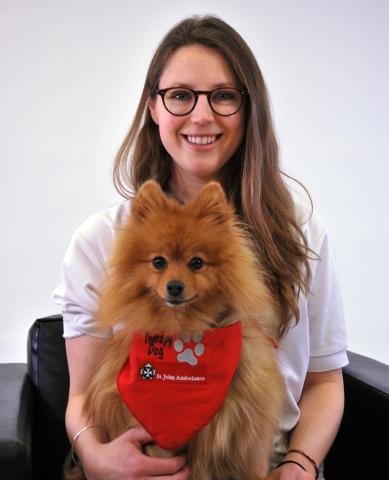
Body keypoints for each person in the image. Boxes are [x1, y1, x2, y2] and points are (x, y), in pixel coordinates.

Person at [53, 14, 348, 480]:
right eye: (181, 95)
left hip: (261, 463)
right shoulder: (102, 239)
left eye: (224, 95)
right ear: (153, 107)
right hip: (139, 462)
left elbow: (325, 382)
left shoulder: (299, 229)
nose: (203, 116)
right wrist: (96, 457)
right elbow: (81, 399)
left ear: (249, 109)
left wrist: (299, 466)